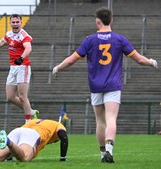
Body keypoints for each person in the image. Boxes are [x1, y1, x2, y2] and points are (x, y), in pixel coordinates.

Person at [52, 7, 158, 163]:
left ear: (97, 21)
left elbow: (71, 59)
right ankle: (109, 149)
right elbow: (139, 59)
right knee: (111, 119)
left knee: (100, 121)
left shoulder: (89, 40)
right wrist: (151, 62)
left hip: (95, 86)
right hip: (113, 85)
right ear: (111, 20)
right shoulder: (119, 39)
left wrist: (58, 67)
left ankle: (102, 154)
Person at [0, 14, 39, 123]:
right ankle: (30, 111)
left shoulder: (23, 35)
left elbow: (28, 48)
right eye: (13, 22)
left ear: (21, 22)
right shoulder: (9, 34)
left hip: (23, 66)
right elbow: (1, 43)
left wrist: (21, 58)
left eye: (17, 22)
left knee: (22, 96)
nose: (15, 24)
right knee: (10, 97)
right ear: (10, 23)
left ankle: (28, 121)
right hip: (13, 68)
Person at [0, 119, 68, 162]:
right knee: (24, 158)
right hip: (32, 134)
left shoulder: (36, 121)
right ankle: (9, 142)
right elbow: (64, 137)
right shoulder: (58, 125)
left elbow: (19, 139)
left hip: (18, 130)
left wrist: (9, 157)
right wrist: (63, 158)